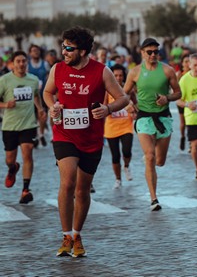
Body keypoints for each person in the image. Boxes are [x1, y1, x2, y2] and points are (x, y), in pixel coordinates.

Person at [43, 26, 129, 257]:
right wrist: (53, 107)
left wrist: (108, 108)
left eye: (68, 48)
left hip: (91, 138)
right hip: (64, 134)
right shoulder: (58, 69)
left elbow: (124, 97)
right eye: (63, 47)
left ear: (82, 51)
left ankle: (77, 234)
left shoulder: (102, 72)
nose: (64, 52)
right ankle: (65, 235)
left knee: (82, 190)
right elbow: (47, 93)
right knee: (68, 182)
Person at [123, 38, 181, 211]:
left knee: (160, 161)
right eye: (149, 52)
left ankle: (151, 160)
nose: (153, 55)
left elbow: (178, 93)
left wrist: (167, 98)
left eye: (156, 52)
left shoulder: (168, 70)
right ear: (142, 53)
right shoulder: (134, 72)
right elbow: (123, 94)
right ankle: (154, 199)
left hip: (163, 117)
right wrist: (128, 105)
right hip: (144, 117)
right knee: (150, 157)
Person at [1, 51, 46, 204]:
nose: (21, 64)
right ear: (12, 64)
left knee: (28, 153)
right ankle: (13, 168)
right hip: (10, 126)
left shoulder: (33, 80)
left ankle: (26, 190)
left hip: (28, 124)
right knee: (9, 159)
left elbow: (36, 96)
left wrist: (40, 109)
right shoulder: (4, 80)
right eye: (18, 61)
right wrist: (6, 104)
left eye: (23, 61)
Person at [104, 64, 136, 189]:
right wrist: (111, 109)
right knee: (115, 156)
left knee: (127, 151)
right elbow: (103, 106)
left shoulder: (129, 91)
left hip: (126, 126)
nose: (118, 78)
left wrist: (133, 109)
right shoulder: (106, 91)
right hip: (111, 127)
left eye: (120, 75)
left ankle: (126, 166)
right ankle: (118, 179)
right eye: (115, 75)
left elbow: (136, 107)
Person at [27, 44, 50, 147]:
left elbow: (50, 77)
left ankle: (41, 134)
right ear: (30, 53)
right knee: (33, 116)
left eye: (37, 50)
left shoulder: (45, 64)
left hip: (43, 94)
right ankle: (35, 135)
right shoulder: (27, 65)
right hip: (31, 95)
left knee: (42, 115)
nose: (35, 52)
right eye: (33, 51)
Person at [177, 54, 191, 151]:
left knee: (190, 123)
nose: (187, 64)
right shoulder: (179, 74)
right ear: (182, 63)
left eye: (188, 61)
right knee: (183, 122)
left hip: (191, 101)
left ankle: (191, 143)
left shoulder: (194, 73)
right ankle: (182, 136)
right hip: (182, 100)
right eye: (185, 61)